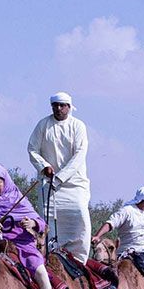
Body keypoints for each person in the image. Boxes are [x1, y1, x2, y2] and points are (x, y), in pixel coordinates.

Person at [26, 92, 91, 258]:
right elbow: (32, 149)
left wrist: (60, 177)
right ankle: (51, 259)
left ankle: (79, 262)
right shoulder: (43, 125)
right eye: (55, 105)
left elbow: (79, 154)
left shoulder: (78, 126)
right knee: (48, 225)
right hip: (48, 185)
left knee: (81, 220)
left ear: (69, 107)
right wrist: (44, 166)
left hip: (74, 185)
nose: (59, 108)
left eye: (62, 105)